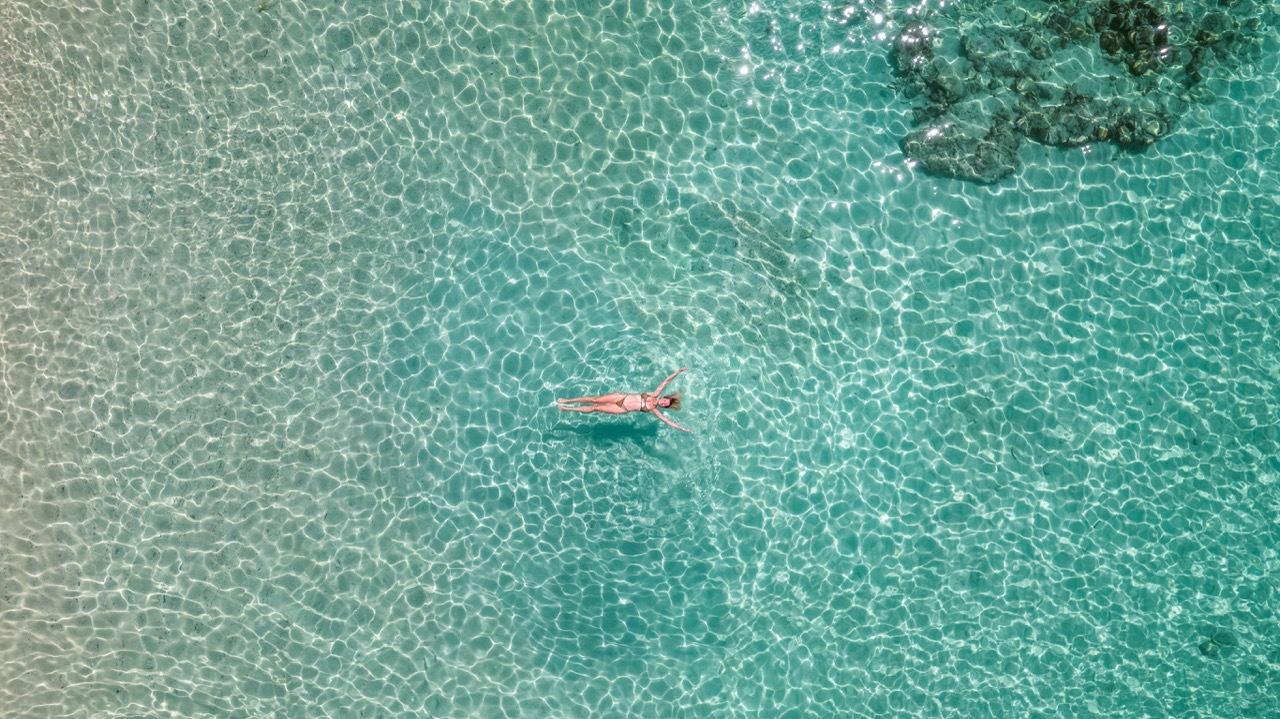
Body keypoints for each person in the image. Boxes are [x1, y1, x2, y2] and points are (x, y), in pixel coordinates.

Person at [557, 368, 692, 433]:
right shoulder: (654, 394)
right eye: (664, 401)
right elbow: (666, 381)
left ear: (663, 407)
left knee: (595, 408)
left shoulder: (654, 410)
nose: (662, 403)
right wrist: (678, 372)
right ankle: (568, 401)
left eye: (664, 405)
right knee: (595, 399)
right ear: (663, 397)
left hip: (622, 408)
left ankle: (567, 408)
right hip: (621, 397)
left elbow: (667, 421)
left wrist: (682, 428)